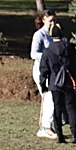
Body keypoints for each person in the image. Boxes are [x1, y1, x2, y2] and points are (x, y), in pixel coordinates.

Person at [37, 22, 76, 144]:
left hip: (54, 84)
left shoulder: (47, 51)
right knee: (71, 107)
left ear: (51, 35)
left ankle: (60, 136)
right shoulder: (70, 49)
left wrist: (43, 84)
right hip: (69, 82)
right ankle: (74, 134)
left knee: (57, 108)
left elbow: (43, 69)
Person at [30, 10, 58, 139]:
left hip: (52, 71)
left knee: (50, 97)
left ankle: (46, 126)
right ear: (43, 20)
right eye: (50, 20)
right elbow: (33, 54)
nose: (53, 23)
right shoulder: (39, 35)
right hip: (41, 71)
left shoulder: (53, 34)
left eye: (54, 20)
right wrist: (48, 56)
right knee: (49, 96)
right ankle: (45, 128)